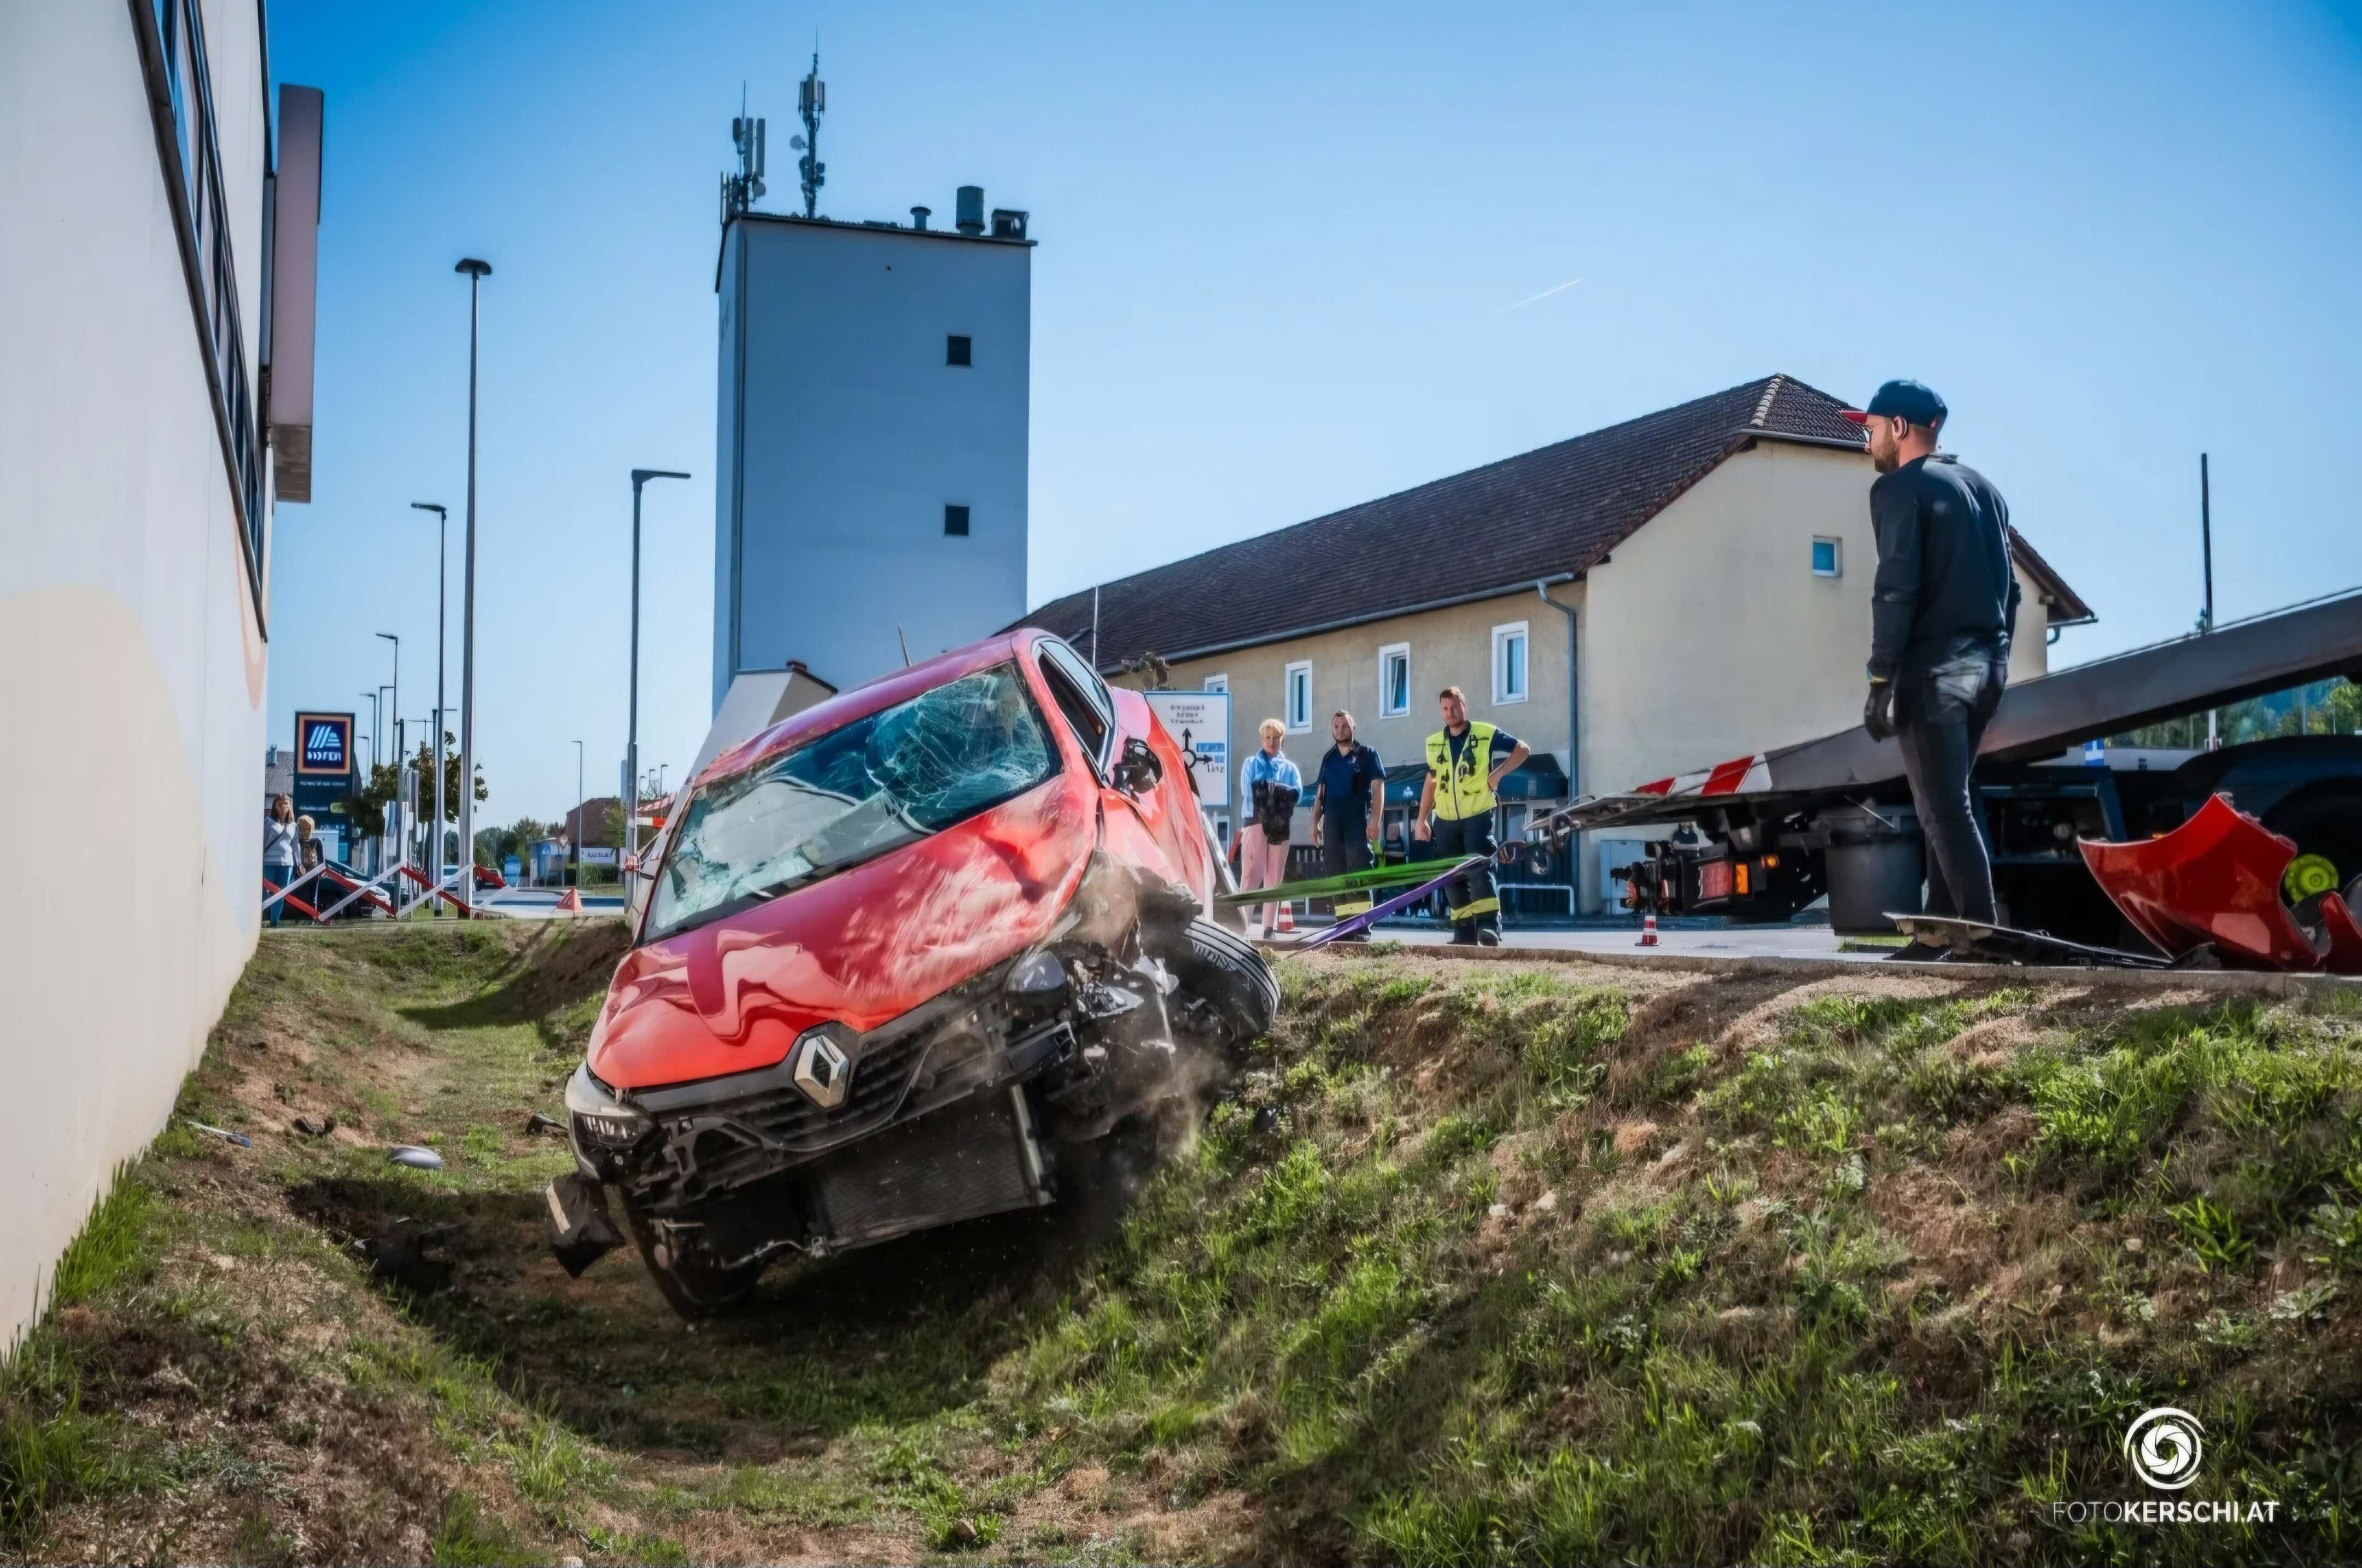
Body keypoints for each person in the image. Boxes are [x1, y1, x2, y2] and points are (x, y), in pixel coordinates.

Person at [1844, 379, 2019, 960]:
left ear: (1899, 428)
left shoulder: (1898, 490)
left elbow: (1896, 587)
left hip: (1937, 668)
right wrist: (1997, 655)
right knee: (1950, 798)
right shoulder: (1986, 491)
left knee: (1943, 806)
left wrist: (1880, 678)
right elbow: (2012, 592)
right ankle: (1940, 931)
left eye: (1870, 429)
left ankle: (1982, 931)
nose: (1866, 442)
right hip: (1987, 666)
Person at [1413, 687, 1529, 945]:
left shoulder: (1484, 733)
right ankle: (1463, 931)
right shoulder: (1434, 742)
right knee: (1451, 876)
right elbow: (1431, 781)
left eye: (1454, 707)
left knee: (1478, 870)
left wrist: (1498, 775)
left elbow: (1522, 749)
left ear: (1464, 705)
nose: (1450, 713)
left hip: (1477, 813)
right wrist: (1422, 820)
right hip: (1444, 818)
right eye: (1445, 708)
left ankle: (1488, 926)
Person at [1310, 710, 1385, 939]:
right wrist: (1314, 824)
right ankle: (1343, 926)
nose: (1340, 730)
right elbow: (1320, 794)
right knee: (1337, 875)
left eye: (1344, 726)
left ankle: (1361, 927)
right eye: (1336, 726)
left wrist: (1375, 821)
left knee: (1358, 873)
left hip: (1357, 824)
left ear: (1354, 729)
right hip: (1333, 824)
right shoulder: (1329, 758)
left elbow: (1379, 788)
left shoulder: (1367, 754)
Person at [1233, 718, 1301, 934]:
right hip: (1256, 821)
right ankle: (1241, 926)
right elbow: (1248, 792)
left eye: (1275, 738)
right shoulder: (1251, 763)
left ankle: (1268, 928)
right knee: (1251, 875)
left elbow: (1297, 793)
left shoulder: (1290, 769)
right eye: (1267, 738)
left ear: (1283, 740)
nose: (1271, 742)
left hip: (1281, 824)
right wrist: (1278, 794)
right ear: (1262, 739)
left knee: (1274, 877)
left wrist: (1273, 794)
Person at [263, 795, 299, 928]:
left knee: (281, 893)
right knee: (266, 892)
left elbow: (296, 846)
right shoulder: (268, 822)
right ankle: (259, 918)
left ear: (290, 806)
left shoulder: (293, 826)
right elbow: (262, 842)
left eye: (286, 803)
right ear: (275, 806)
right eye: (280, 803)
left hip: (287, 864)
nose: (283, 806)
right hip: (269, 862)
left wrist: (299, 863)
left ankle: (274, 922)